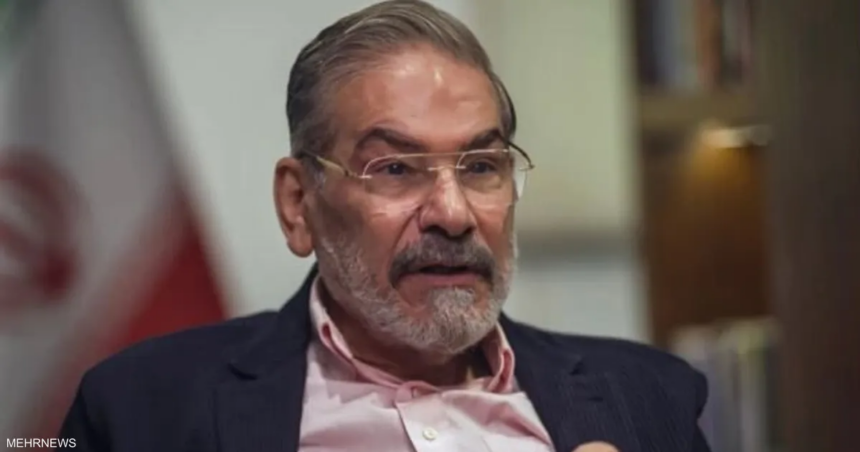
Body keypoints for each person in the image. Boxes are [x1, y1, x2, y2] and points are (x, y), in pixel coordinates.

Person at [59, 1, 711, 451]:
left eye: (481, 166)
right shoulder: (141, 409)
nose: (453, 215)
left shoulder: (647, 397)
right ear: (298, 203)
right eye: (396, 169)